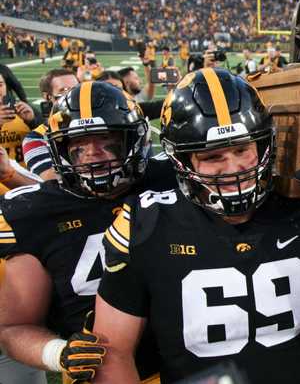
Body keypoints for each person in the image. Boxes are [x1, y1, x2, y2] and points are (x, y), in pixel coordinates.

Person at [92, 69, 300, 384]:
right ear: (182, 160)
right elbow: (114, 352)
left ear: (264, 145)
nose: (233, 168)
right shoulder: (145, 224)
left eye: (242, 149)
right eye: (213, 155)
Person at [0, 81, 177, 383]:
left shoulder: (169, 178)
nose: (93, 154)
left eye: (107, 140)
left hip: (188, 360)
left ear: (134, 140)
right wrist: (59, 352)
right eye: (78, 145)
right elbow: (14, 326)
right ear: (59, 149)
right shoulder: (33, 212)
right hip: (101, 372)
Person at [0, 74, 39, 167]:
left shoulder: (23, 110)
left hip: (29, 177)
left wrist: (32, 122)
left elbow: (47, 143)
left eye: (0, 85)